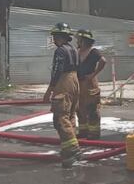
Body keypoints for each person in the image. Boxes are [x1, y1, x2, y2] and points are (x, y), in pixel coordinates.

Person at [42, 22, 80, 167]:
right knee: (70, 116)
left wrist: (49, 91)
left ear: (59, 36)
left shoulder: (60, 51)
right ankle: (70, 150)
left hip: (64, 82)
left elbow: (57, 71)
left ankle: (72, 149)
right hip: (75, 81)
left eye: (54, 36)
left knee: (60, 117)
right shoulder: (74, 49)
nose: (53, 39)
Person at [75, 29, 106, 140]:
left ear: (84, 41)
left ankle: (94, 133)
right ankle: (83, 131)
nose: (77, 41)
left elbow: (103, 61)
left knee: (92, 108)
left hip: (90, 83)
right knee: (80, 108)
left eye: (79, 39)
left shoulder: (93, 52)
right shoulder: (77, 52)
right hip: (79, 83)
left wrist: (93, 74)